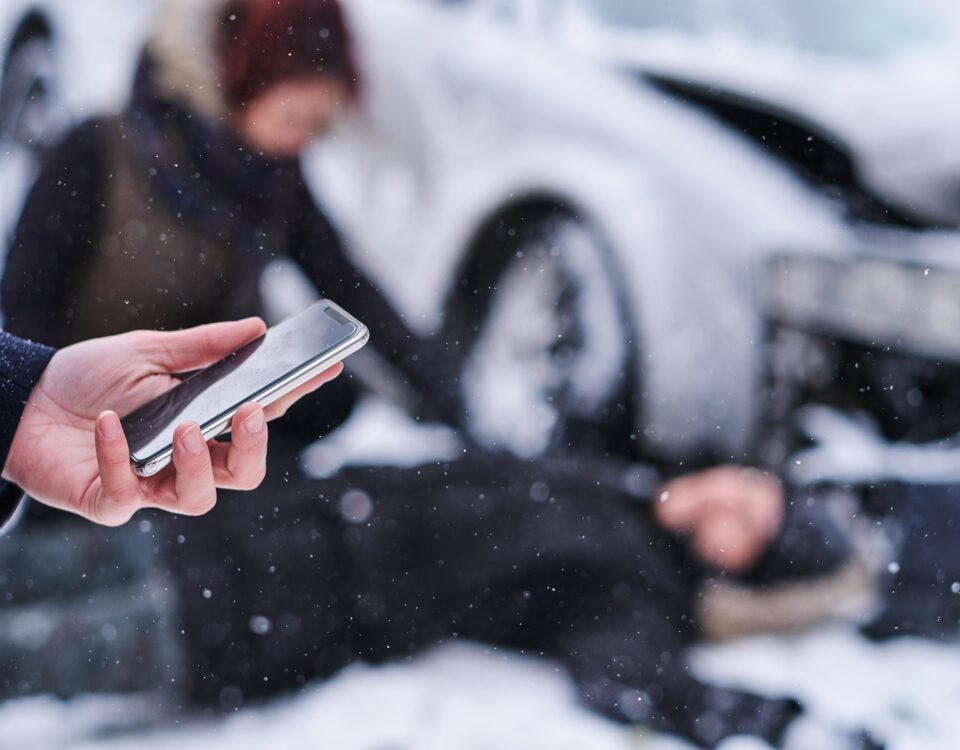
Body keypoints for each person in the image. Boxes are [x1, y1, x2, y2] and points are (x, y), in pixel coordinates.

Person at [0, 0, 872, 747]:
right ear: (241, 77)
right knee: (58, 570)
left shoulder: (268, 178)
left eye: (745, 526)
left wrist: (447, 395)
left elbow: (354, 293)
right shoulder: (100, 154)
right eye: (297, 114)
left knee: (56, 628)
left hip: (210, 509)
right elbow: (22, 311)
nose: (304, 139)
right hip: (94, 420)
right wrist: (39, 425)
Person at [0, 321, 342, 528]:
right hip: (103, 445)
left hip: (128, 437)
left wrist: (23, 406)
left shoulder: (278, 205)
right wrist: (29, 397)